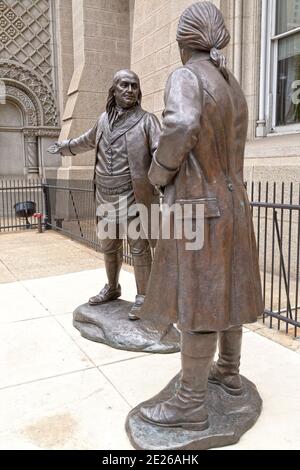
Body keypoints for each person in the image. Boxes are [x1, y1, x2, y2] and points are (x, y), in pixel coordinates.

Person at [139, 1, 264, 430]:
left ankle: (191, 403)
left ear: (183, 43)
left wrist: (159, 172)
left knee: (200, 302)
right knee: (226, 292)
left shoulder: (186, 76)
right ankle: (228, 373)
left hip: (199, 209)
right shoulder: (231, 82)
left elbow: (180, 126)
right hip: (234, 205)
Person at [48, 70, 161, 320]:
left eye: (134, 86)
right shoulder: (102, 120)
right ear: (114, 90)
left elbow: (160, 152)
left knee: (140, 248)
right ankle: (112, 287)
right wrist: (65, 148)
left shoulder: (147, 121)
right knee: (109, 247)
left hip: (133, 196)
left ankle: (144, 296)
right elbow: (87, 141)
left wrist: (164, 180)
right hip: (105, 196)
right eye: (124, 85)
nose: (130, 90)